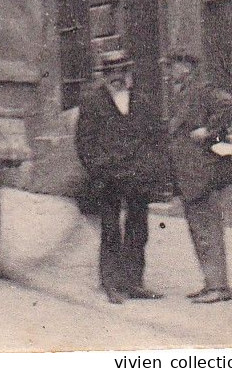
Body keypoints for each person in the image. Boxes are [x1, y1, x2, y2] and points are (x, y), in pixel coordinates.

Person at [75, 50, 171, 303]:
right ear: (105, 75)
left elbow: (156, 136)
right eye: (111, 73)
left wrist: (151, 166)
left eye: (122, 72)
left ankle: (134, 282)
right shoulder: (92, 102)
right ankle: (111, 284)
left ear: (129, 73)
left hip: (137, 175)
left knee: (138, 229)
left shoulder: (143, 100)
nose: (117, 77)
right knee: (110, 230)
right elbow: (84, 142)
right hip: (108, 177)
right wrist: (97, 169)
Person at [164, 52, 232, 303]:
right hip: (189, 172)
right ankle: (212, 284)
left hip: (202, 172)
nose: (170, 71)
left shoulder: (202, 90)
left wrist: (208, 130)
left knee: (208, 228)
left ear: (186, 67)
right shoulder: (181, 92)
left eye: (173, 66)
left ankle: (219, 287)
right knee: (199, 228)